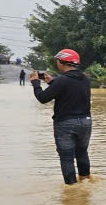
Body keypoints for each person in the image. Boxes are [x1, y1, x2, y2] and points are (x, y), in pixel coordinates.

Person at [31, 48, 93, 185]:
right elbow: (70, 90)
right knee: (82, 152)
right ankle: (86, 181)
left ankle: (72, 189)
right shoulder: (85, 79)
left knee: (66, 157)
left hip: (66, 123)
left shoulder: (62, 80)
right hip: (86, 122)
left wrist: (35, 83)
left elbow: (42, 98)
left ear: (61, 62)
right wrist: (52, 82)